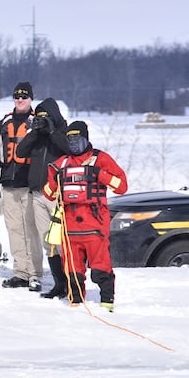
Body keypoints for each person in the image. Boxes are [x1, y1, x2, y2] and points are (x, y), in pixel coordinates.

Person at [42, 121, 128, 311]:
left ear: (86, 138)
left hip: (95, 225)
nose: (73, 142)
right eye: (70, 138)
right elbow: (48, 192)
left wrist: (101, 175)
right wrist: (56, 182)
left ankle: (107, 303)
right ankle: (76, 304)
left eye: (77, 138)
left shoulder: (101, 159)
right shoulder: (61, 164)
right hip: (70, 228)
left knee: (100, 269)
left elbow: (122, 186)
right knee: (72, 271)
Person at [0, 82, 42, 292]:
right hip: (9, 185)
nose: (20, 100)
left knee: (31, 231)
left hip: (29, 185)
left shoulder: (37, 122)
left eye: (24, 97)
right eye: (17, 97)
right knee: (14, 230)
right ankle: (20, 273)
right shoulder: (4, 123)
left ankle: (35, 274)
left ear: (31, 99)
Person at [16, 98, 71, 297]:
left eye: (44, 117)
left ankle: (71, 282)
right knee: (48, 241)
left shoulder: (64, 131)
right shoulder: (37, 135)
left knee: (64, 241)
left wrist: (52, 131)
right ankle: (58, 283)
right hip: (37, 193)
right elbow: (20, 152)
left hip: (58, 195)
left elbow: (70, 149)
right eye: (37, 117)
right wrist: (35, 132)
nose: (40, 120)